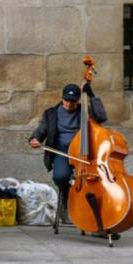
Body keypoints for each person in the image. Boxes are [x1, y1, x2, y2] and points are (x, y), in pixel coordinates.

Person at [29, 82, 107, 222]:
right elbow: (42, 129)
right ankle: (66, 196)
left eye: (73, 101)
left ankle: (97, 215)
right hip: (62, 152)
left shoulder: (86, 111)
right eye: (66, 100)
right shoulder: (51, 113)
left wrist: (92, 96)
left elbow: (102, 117)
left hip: (85, 153)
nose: (69, 104)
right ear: (62, 98)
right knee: (60, 177)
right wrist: (35, 138)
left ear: (78, 100)